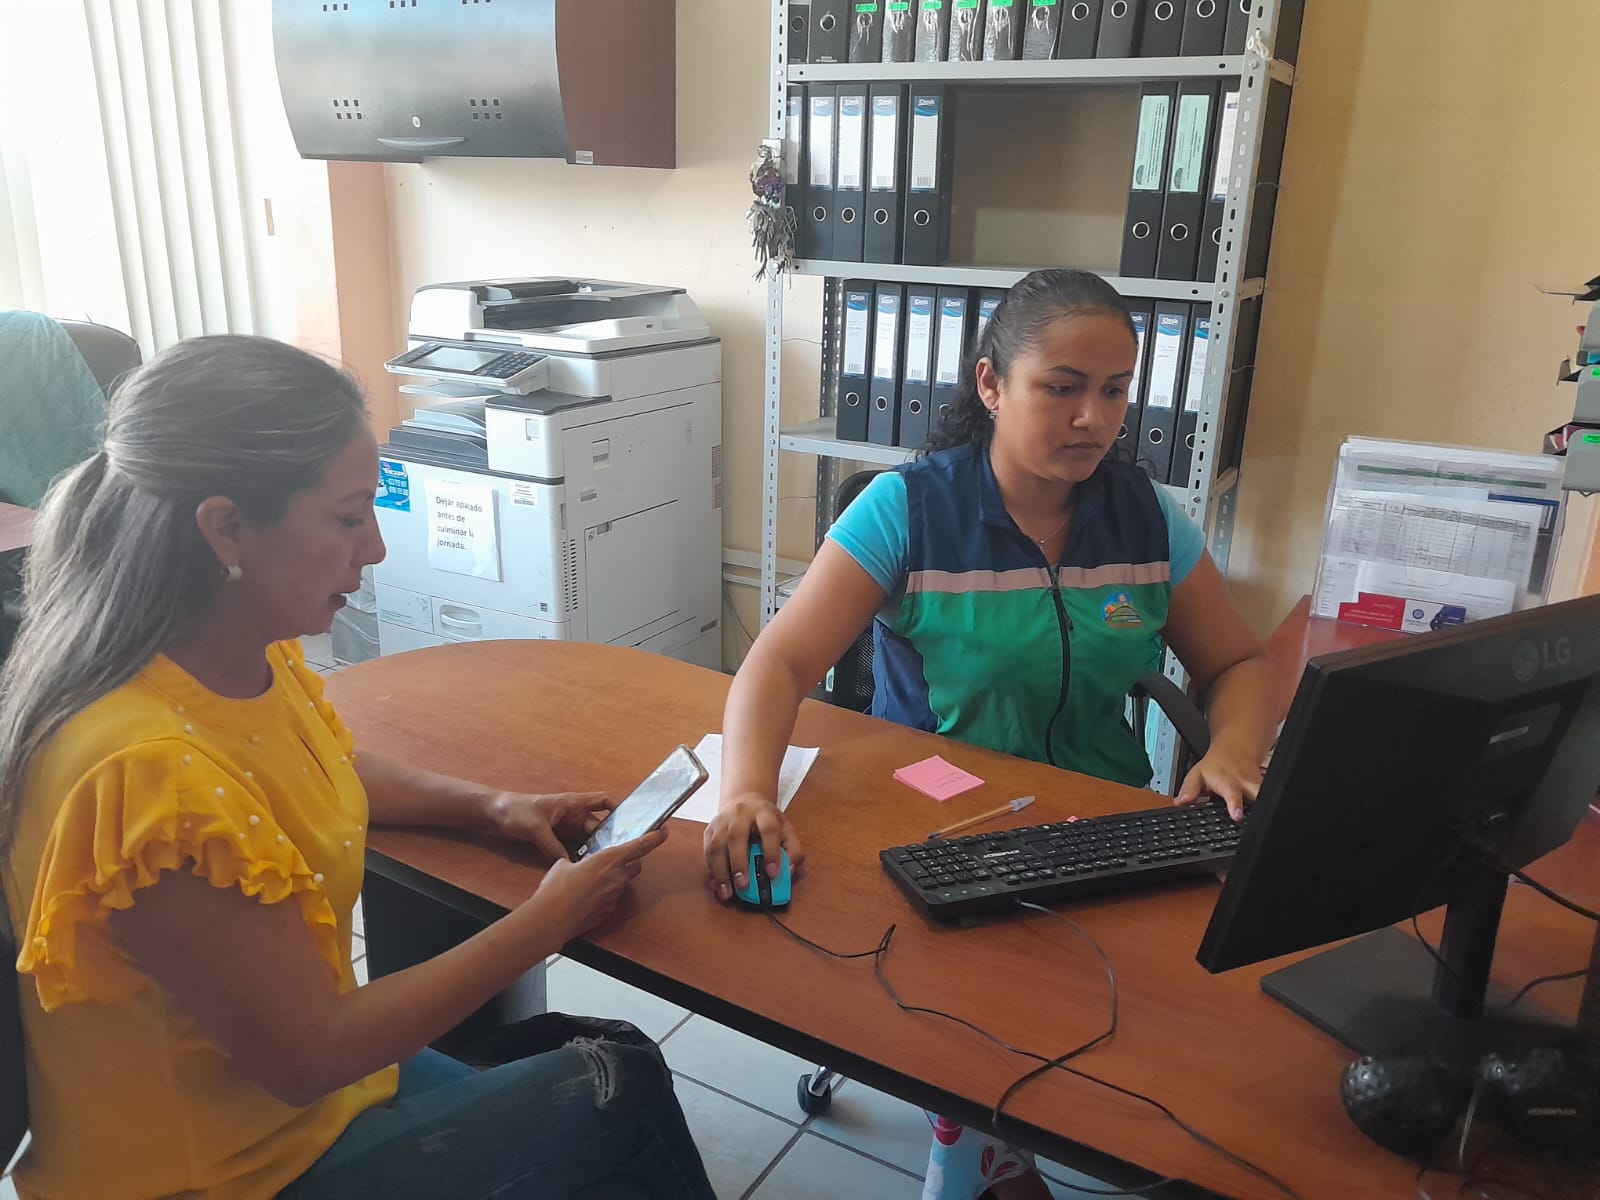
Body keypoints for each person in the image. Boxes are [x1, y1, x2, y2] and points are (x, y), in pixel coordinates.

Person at [0, 336, 715, 1200]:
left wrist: (494, 806)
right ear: (226, 528)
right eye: (348, 518)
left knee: (585, 1073)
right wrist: (545, 922)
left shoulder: (228, 657)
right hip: (230, 1176)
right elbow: (310, 1055)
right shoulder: (141, 775)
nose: (374, 550)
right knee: (619, 1084)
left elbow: (314, 766)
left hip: (305, 1111)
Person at [703, 270, 1274, 1200]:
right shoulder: (908, 510)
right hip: (939, 824)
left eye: (1115, 391)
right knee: (982, 1024)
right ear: (991, 384)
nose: (1094, 418)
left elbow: (1239, 663)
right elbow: (777, 663)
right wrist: (745, 792)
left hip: (1103, 819)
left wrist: (1231, 751)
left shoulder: (1144, 517)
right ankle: (974, 1145)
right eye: (1063, 387)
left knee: (1175, 1038)